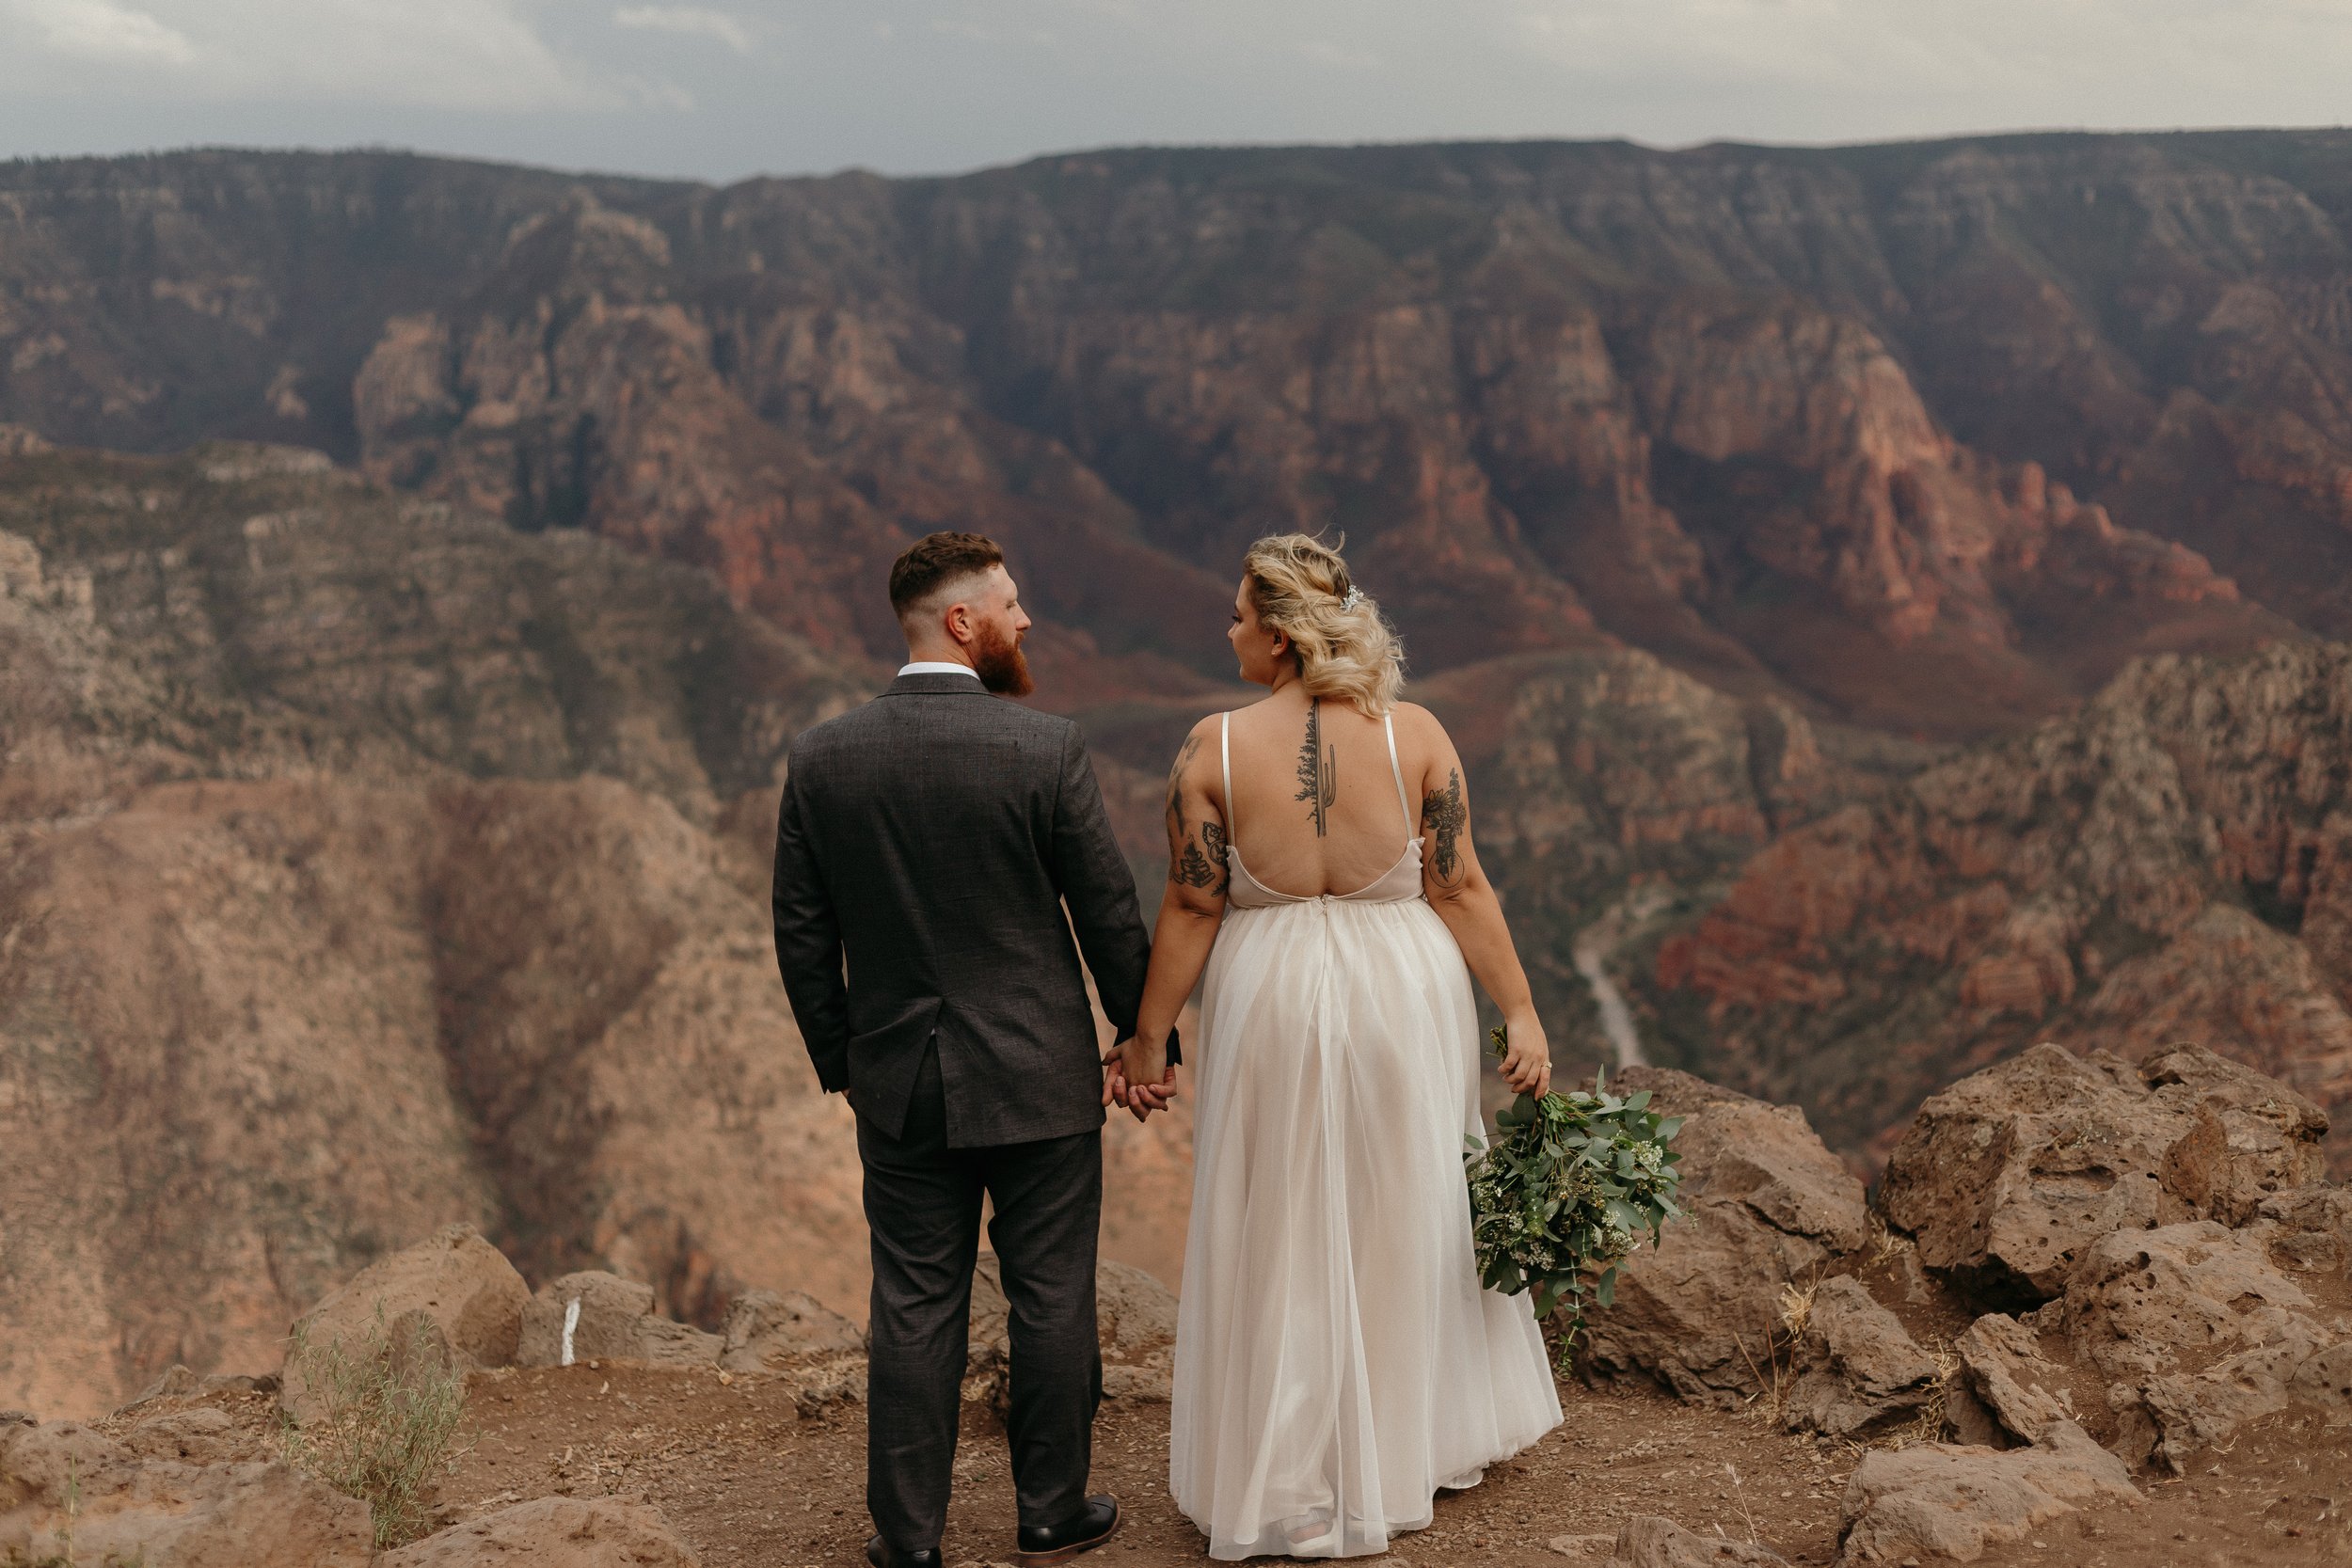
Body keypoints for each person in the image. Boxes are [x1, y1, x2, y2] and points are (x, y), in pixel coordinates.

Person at [1107, 532, 1563, 1560]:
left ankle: (1296, 1473)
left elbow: (1189, 902)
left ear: (1276, 635)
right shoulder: (1417, 734)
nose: (1227, 629)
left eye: (1236, 615)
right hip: (1404, 989)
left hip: (1269, 993)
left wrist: (1147, 1040)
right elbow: (1458, 883)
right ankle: (1406, 1443)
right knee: (1404, 1203)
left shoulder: (1210, 747)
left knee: (1282, 1210)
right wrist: (1521, 1010)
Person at [772, 531, 1166, 1568]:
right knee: (1051, 1293)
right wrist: (1140, 1038)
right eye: (1010, 603)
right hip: (1038, 1073)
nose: (1025, 619)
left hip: (900, 1082)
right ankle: (1051, 1511)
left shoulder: (823, 758)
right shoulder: (1045, 750)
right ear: (961, 621)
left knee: (911, 1305)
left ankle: (907, 1539)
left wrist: (845, 1060)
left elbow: (801, 932)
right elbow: (1108, 910)